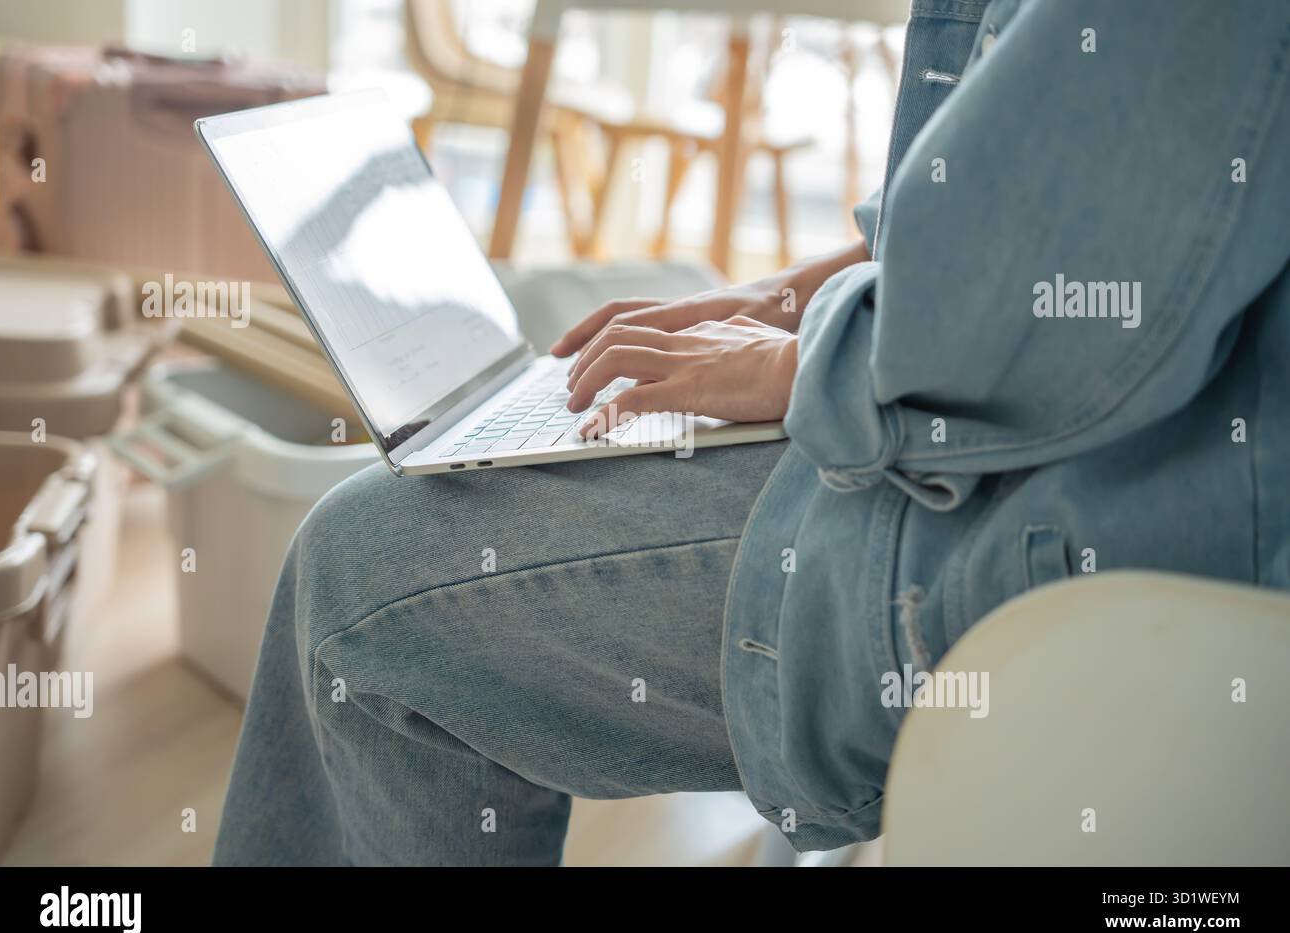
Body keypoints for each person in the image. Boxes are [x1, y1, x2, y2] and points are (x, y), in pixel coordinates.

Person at [214, 0, 1290, 864]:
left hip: (1085, 513)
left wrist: (799, 363)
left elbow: (1052, 301)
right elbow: (988, 203)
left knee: (361, 582)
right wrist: (776, 301)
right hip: (1056, 455)